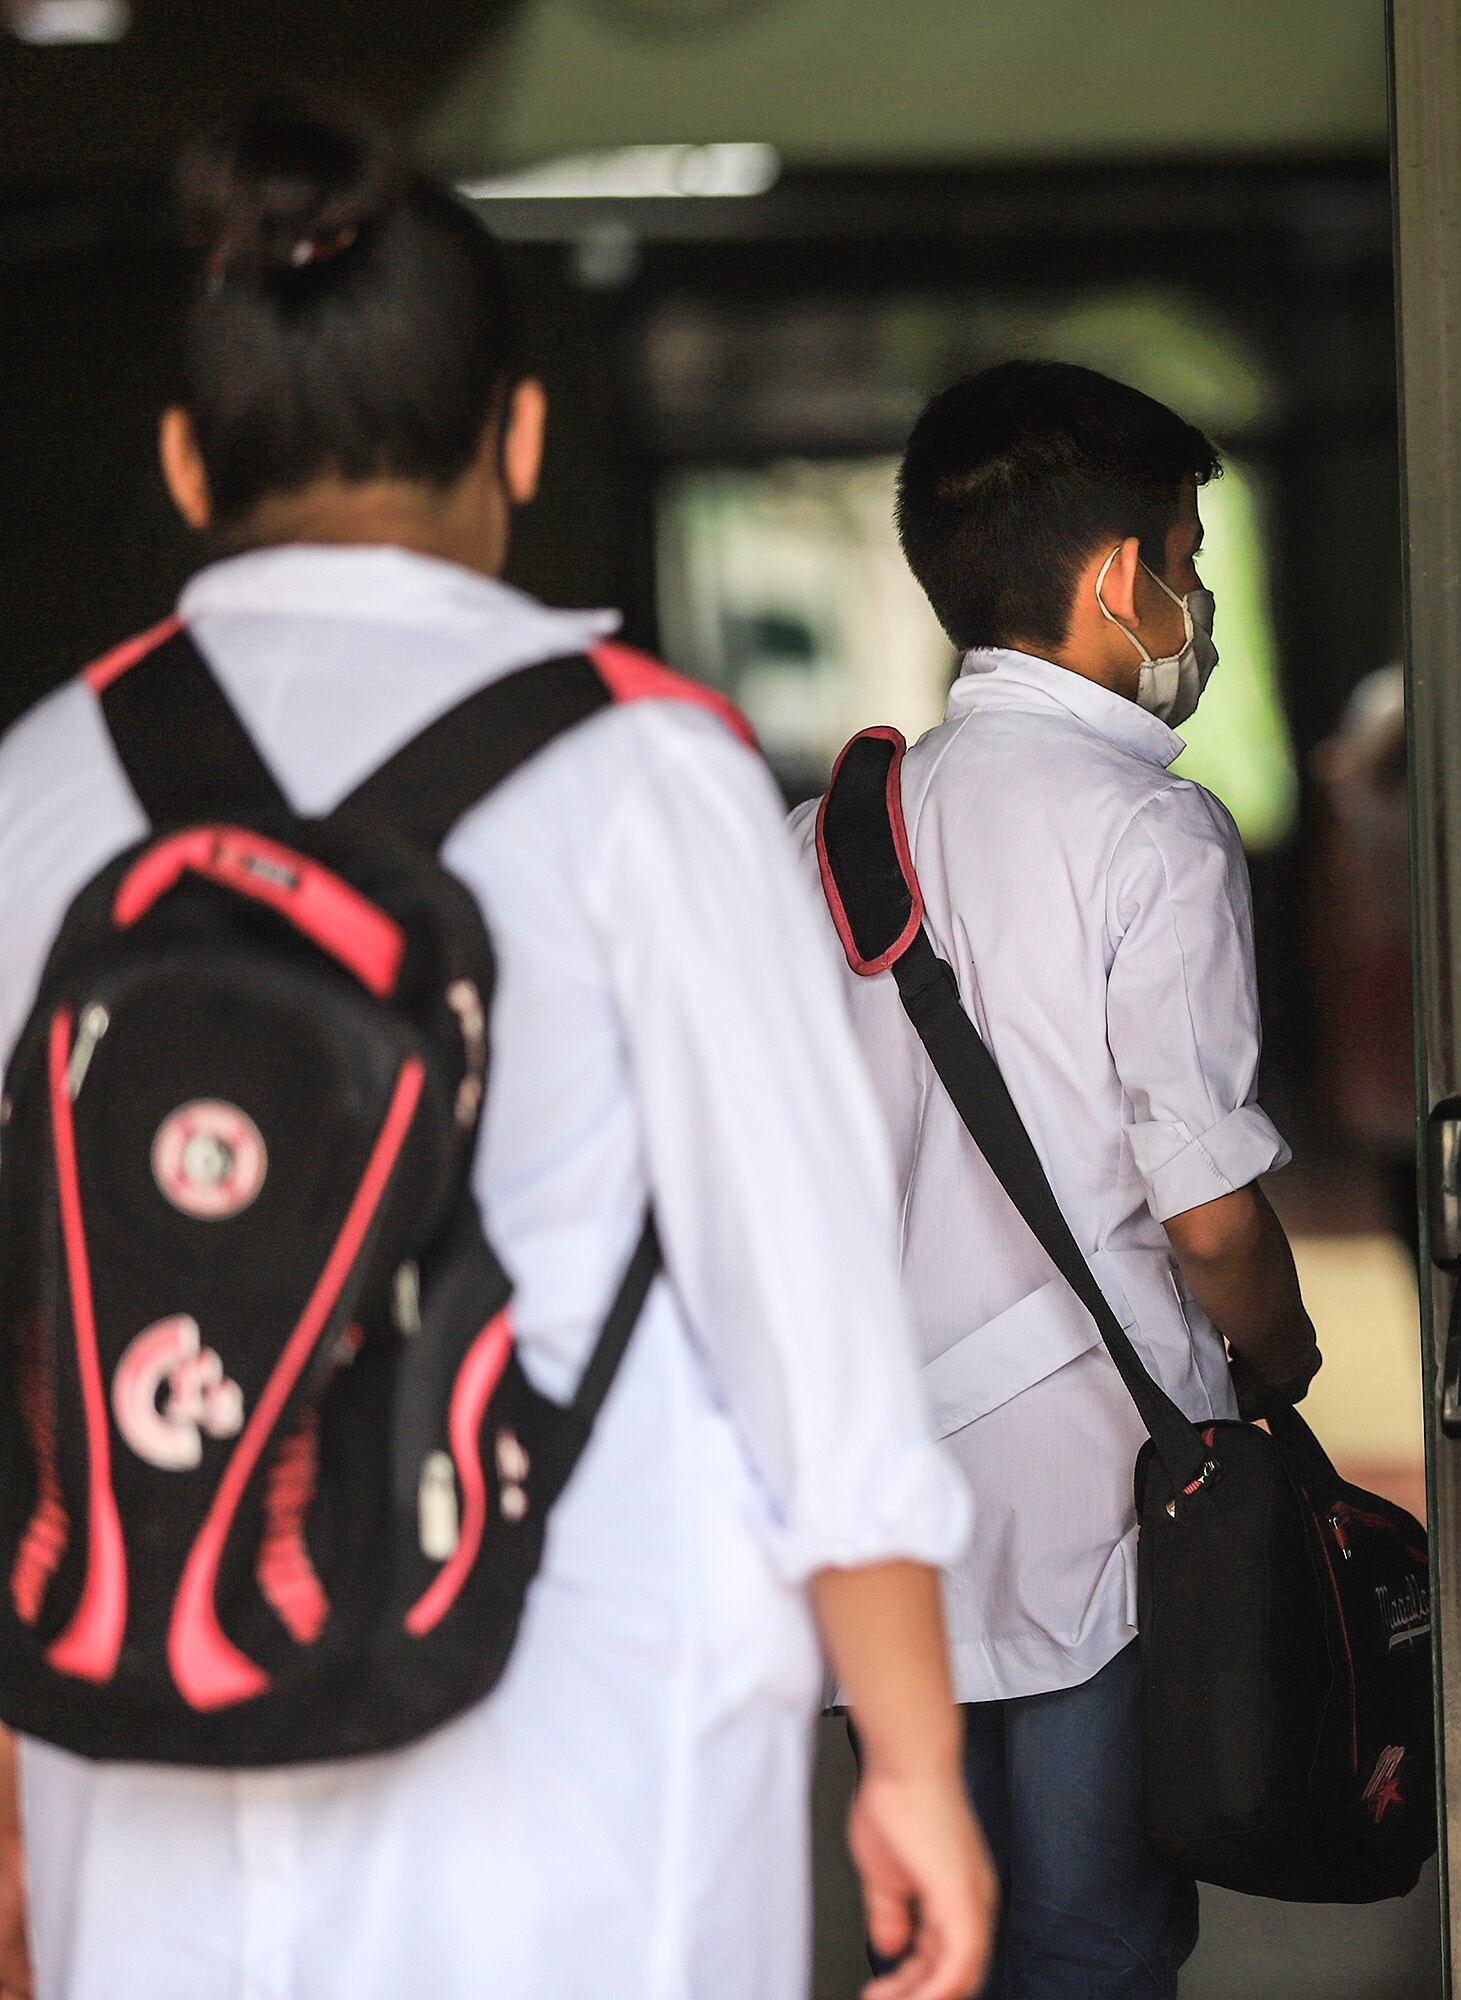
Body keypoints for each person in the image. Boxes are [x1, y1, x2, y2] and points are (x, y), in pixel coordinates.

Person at [0, 101, 992, 2000]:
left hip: (139, 1744)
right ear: (520, 437)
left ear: (188, 459)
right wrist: (919, 1763)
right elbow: (810, 1318)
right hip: (577, 1753)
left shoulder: (45, 787)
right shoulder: (642, 774)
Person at [792, 361, 1325, 1999]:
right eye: (1187, 552)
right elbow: (1211, 1210)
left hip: (885, 1507)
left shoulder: (830, 832)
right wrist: (1283, 1348)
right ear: (1117, 582)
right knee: (1090, 1938)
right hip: (1106, 1495)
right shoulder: (1151, 836)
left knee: (930, 1934)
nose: (1198, 598)